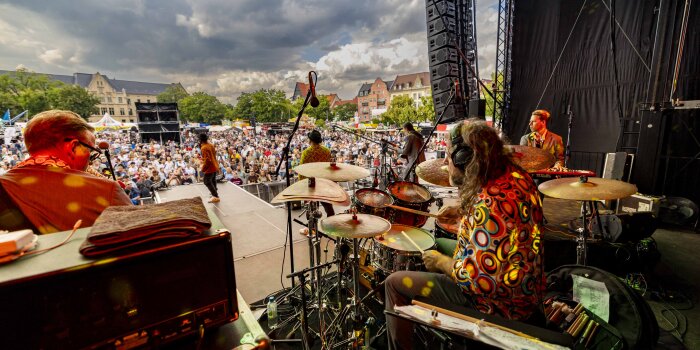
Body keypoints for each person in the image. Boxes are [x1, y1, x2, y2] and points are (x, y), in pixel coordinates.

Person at [384, 119, 546, 350]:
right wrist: (462, 211)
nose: (447, 162)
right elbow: (504, 226)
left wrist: (441, 263)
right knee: (435, 241)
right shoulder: (518, 177)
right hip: (521, 283)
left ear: (465, 159)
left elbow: (481, 280)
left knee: (394, 283)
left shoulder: (489, 204)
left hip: (496, 305)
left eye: (450, 156)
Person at [0, 110, 132, 234]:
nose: (90, 161)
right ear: (73, 147)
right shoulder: (105, 191)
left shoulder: (4, 184)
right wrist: (113, 194)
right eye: (90, 151)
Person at [300, 129, 334, 217]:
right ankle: (331, 225)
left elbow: (302, 170)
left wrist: (302, 184)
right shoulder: (327, 151)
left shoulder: (306, 153)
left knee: (313, 209)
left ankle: (313, 228)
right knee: (328, 206)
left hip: (312, 183)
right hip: (324, 181)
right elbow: (330, 166)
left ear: (310, 140)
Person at [199, 133, 220, 203]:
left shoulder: (204, 147)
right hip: (214, 165)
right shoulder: (211, 145)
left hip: (210, 167)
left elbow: (208, 160)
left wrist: (203, 169)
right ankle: (214, 193)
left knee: (207, 181)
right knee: (213, 180)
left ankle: (215, 196)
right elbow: (212, 155)